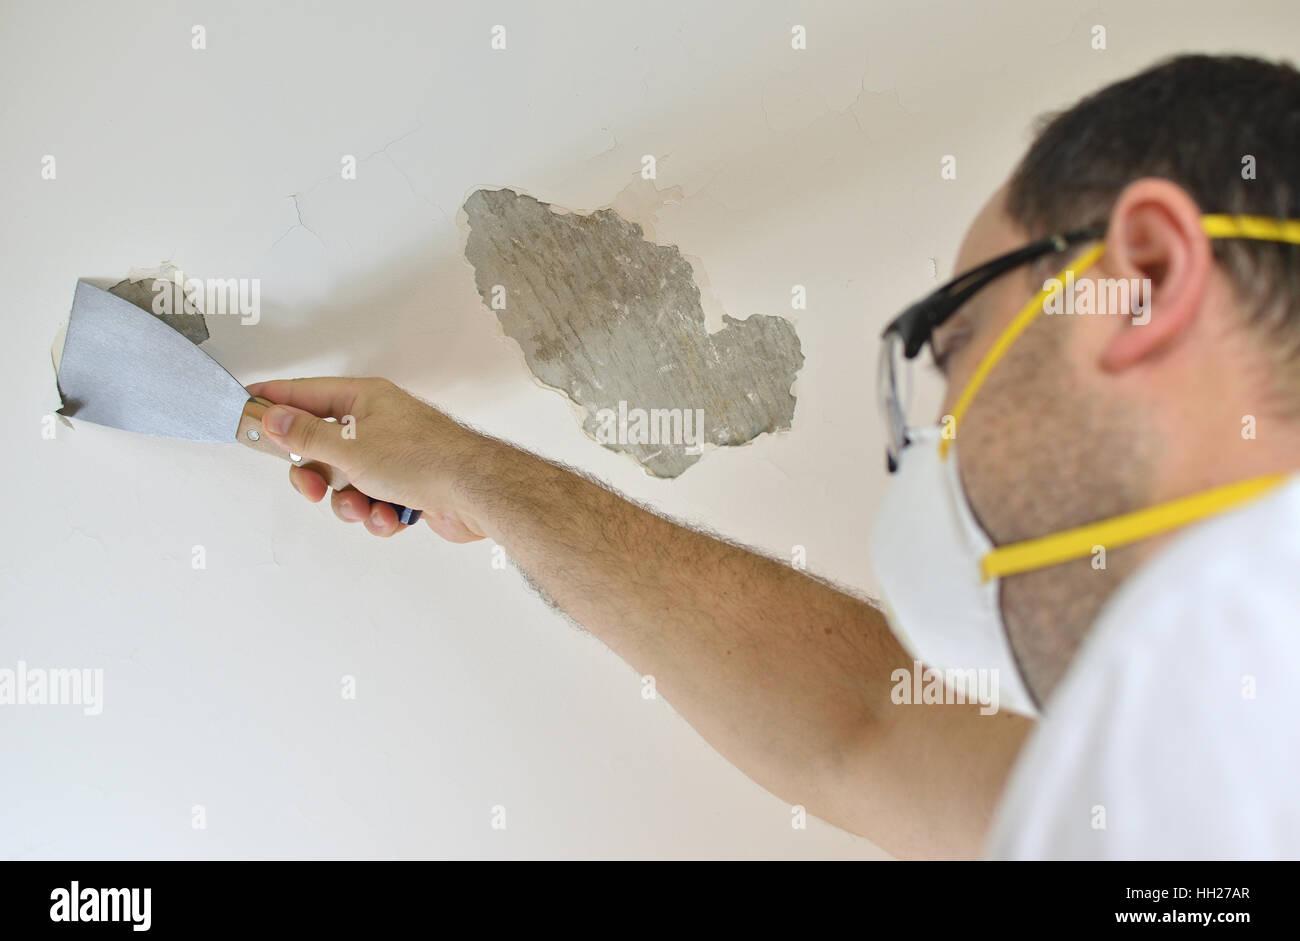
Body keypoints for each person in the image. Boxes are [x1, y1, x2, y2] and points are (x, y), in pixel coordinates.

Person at [247, 53, 1300, 859]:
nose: (938, 439)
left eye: (957, 342)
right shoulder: (1180, 788)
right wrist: (474, 475)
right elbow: (864, 730)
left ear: (1142, 282)